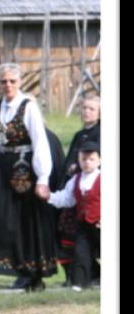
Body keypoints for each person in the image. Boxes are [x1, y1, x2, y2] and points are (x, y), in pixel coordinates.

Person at [0, 63, 59, 292]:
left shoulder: (28, 106)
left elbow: (40, 140)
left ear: (20, 82)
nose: (8, 85)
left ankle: (31, 273)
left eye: (12, 81)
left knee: (26, 221)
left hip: (26, 170)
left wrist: (43, 178)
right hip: (4, 169)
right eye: (3, 81)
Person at [57, 94, 100, 286]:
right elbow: (70, 162)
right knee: (71, 236)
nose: (87, 112)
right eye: (84, 108)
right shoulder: (79, 135)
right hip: (75, 192)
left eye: (91, 109)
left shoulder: (102, 133)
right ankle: (79, 275)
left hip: (93, 195)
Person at [47, 139, 100, 290]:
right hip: (84, 224)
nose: (87, 162)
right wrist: (49, 196)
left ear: (99, 160)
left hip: (100, 224)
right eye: (83, 159)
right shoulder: (75, 180)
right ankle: (79, 283)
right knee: (81, 252)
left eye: (91, 159)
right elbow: (67, 199)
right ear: (78, 160)